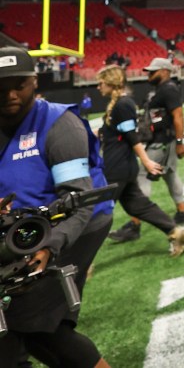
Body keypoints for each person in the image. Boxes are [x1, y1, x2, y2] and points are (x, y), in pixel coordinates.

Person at [0, 47, 113, 367]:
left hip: (81, 219)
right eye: (0, 86)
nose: (9, 93)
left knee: (35, 318)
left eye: (18, 84)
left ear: (34, 83)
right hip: (28, 221)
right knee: (18, 323)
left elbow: (78, 204)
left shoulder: (60, 126)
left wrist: (50, 246)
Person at [95, 64, 184, 256]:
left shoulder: (123, 104)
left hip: (117, 167)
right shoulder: (119, 104)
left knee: (96, 211)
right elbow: (110, 133)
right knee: (138, 205)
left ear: (111, 83)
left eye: (101, 83)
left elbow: (132, 136)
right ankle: (174, 231)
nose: (98, 87)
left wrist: (146, 160)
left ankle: (81, 262)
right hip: (124, 166)